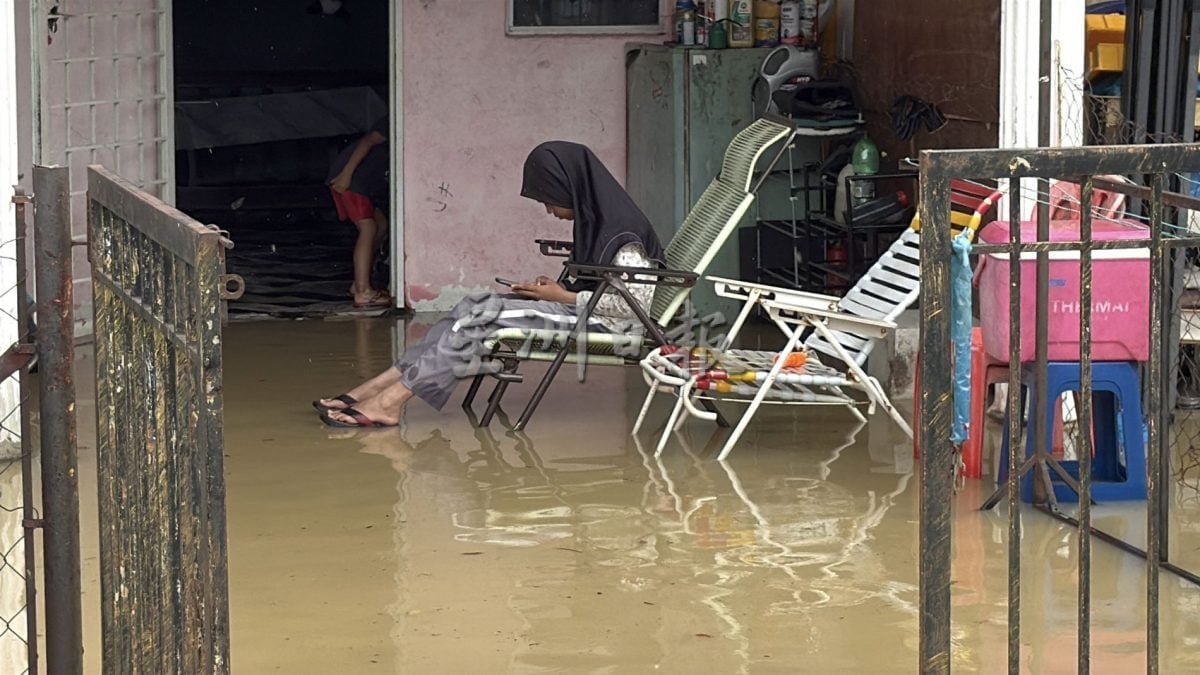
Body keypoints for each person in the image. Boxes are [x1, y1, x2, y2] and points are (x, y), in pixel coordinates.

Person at [313, 141, 665, 428]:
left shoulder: (624, 235)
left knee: (479, 320)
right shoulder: (600, 221)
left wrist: (561, 295)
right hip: (582, 311)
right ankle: (376, 388)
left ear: (569, 188)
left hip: (610, 325)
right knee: (472, 306)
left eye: (548, 200)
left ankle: (390, 403)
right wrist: (553, 291)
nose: (548, 210)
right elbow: (598, 282)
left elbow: (633, 306)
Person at [328, 115, 391, 308]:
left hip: (365, 182)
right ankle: (363, 291)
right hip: (352, 179)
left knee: (381, 226)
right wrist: (346, 176)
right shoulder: (391, 120)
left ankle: (360, 283)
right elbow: (367, 142)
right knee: (368, 228)